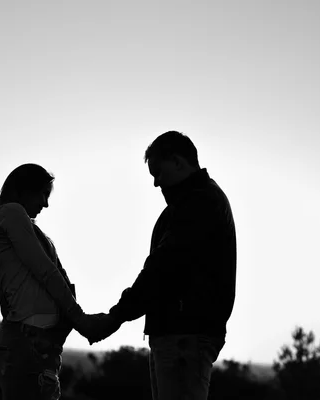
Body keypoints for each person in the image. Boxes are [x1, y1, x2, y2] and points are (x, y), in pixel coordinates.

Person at [93, 131, 237, 400]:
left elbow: (163, 267)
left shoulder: (199, 203)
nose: (156, 183)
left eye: (158, 172)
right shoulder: (192, 203)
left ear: (179, 162)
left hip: (185, 335)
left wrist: (116, 316)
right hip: (180, 335)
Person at [0, 163, 113, 400]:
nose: (46, 204)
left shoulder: (31, 230)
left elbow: (54, 277)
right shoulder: (11, 213)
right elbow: (45, 272)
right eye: (43, 194)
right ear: (25, 189)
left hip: (40, 345)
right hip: (28, 343)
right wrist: (80, 319)